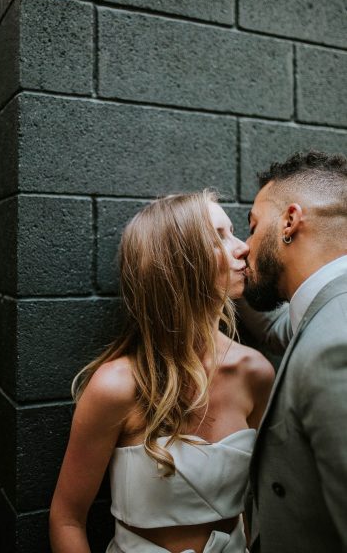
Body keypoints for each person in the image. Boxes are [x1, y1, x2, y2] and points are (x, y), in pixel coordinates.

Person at [49, 191, 274, 553]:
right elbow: (67, 518)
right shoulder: (115, 387)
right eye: (218, 236)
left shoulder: (256, 373)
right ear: (178, 262)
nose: (242, 247)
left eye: (233, 231)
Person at [240, 151, 347, 553]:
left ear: (289, 221)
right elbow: (276, 326)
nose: (244, 247)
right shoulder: (325, 309)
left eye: (251, 228)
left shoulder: (337, 342)